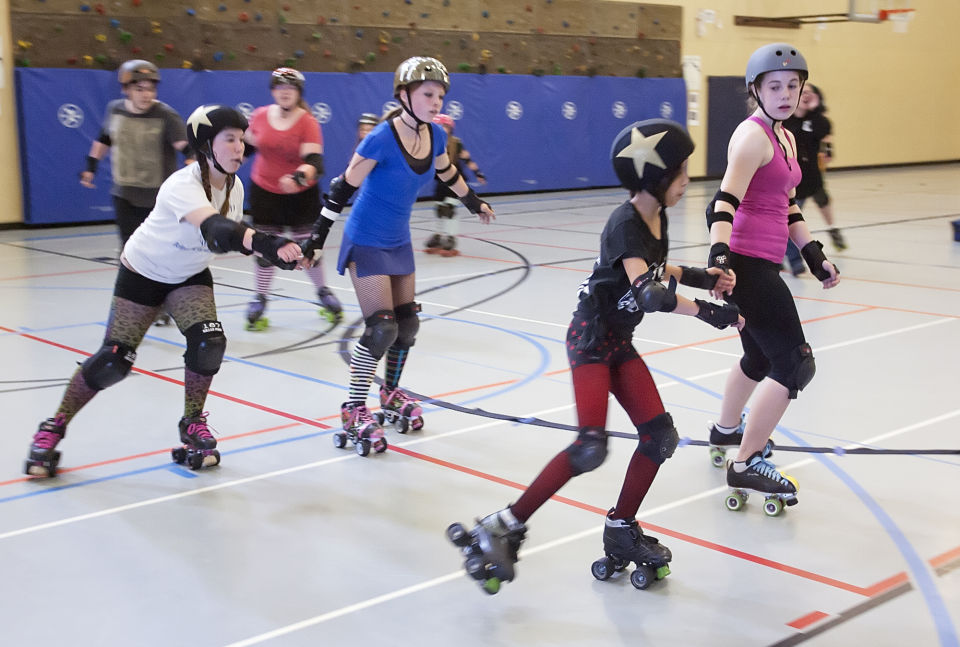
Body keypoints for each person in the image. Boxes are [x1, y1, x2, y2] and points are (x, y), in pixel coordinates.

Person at [447, 119, 744, 594]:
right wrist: (710, 311)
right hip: (589, 341)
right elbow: (649, 293)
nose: (688, 179)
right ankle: (502, 524)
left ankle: (622, 528)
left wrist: (702, 277)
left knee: (659, 436)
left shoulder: (654, 216)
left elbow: (655, 267)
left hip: (617, 342)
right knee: (590, 446)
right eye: (682, 171)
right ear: (655, 177)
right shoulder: (624, 223)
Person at [24, 105, 303, 477]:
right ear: (206, 145)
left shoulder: (233, 186)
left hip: (188, 275)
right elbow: (217, 231)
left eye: (241, 139)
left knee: (209, 342)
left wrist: (274, 255)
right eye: (230, 140)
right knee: (113, 360)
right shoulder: (181, 185)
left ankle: (191, 424)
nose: (240, 148)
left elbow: (229, 240)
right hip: (144, 273)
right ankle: (52, 427)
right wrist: (267, 243)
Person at [300, 56, 495, 456]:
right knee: (381, 328)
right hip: (367, 239)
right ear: (404, 95)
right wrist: (317, 237)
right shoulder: (381, 138)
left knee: (407, 326)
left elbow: (447, 173)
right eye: (428, 94)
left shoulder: (436, 137)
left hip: (397, 241)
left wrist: (474, 202)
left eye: (440, 95)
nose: (436, 101)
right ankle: (355, 408)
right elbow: (341, 187)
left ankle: (389, 394)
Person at [704, 43, 840, 509]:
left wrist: (813, 252)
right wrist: (719, 257)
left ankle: (725, 432)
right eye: (774, 86)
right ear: (756, 90)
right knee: (794, 364)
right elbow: (722, 202)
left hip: (763, 261)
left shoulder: (784, 136)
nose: (785, 94)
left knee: (759, 359)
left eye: (792, 86)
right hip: (748, 266)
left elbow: (789, 204)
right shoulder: (753, 137)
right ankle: (744, 462)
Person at [243, 67, 342, 330]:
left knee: (307, 249)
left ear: (298, 93)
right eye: (280, 87)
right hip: (264, 192)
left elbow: (315, 163)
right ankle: (260, 296)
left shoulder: (307, 121)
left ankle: (322, 291)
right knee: (264, 249)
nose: (285, 92)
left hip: (301, 196)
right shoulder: (260, 116)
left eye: (291, 88)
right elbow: (247, 148)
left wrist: (297, 177)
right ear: (273, 91)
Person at [80, 59, 192, 248]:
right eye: (140, 89)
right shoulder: (115, 110)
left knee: (159, 249)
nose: (146, 95)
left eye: (150, 89)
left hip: (158, 198)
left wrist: (193, 165)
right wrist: (91, 167)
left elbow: (185, 147)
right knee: (129, 248)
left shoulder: (165, 114)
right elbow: (104, 139)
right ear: (126, 89)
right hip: (124, 194)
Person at [782, 83, 846, 275]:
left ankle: (833, 228)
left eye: (810, 93)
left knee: (823, 200)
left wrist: (816, 110)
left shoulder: (819, 121)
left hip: (813, 177)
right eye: (803, 92)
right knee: (789, 221)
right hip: (793, 181)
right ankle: (793, 261)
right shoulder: (785, 120)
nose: (806, 95)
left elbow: (827, 149)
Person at [424, 113, 487, 256]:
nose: (442, 129)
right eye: (438, 127)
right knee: (439, 209)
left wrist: (478, 173)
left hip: (455, 181)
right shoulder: (430, 143)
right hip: (440, 181)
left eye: (444, 127)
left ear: (450, 128)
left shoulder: (455, 143)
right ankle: (440, 236)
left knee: (449, 208)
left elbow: (467, 159)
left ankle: (450, 237)